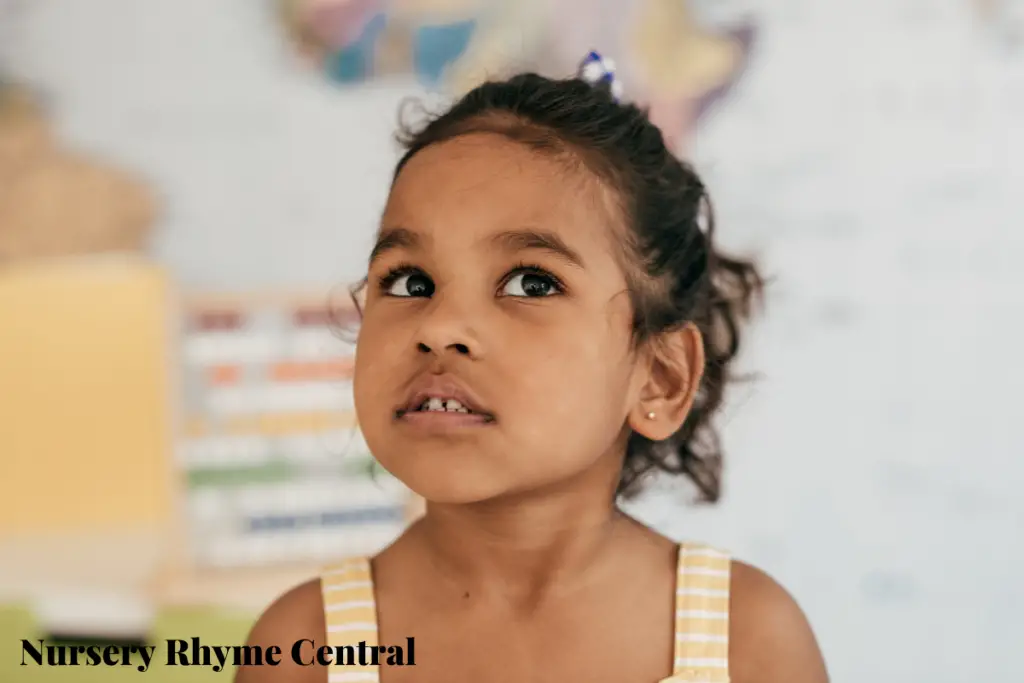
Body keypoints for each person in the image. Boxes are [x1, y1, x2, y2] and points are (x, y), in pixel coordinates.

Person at [237, 52, 828, 683]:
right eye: (410, 281)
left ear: (659, 378)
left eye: (531, 282)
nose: (439, 326)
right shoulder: (302, 646)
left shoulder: (748, 641)